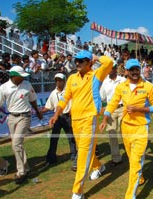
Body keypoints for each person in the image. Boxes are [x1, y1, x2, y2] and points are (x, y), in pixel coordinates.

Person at [49, 50, 113, 199]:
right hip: (75, 120)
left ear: (88, 62)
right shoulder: (72, 78)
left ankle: (77, 191)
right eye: (76, 61)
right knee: (85, 150)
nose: (77, 63)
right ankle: (99, 166)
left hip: (90, 119)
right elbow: (65, 98)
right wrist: (56, 113)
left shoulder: (96, 75)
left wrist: (94, 57)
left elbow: (109, 63)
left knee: (83, 155)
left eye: (81, 61)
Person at [100, 59, 153, 199]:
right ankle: (139, 177)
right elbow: (112, 103)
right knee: (132, 159)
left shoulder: (148, 86)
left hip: (141, 129)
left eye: (137, 69)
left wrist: (139, 109)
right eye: (131, 69)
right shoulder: (121, 87)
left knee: (135, 162)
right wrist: (105, 118)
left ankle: (130, 196)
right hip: (125, 128)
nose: (134, 72)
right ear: (126, 71)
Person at [0, 66, 43, 184]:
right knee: (17, 145)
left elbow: (32, 100)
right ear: (13, 76)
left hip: (25, 116)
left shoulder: (27, 84)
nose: (23, 78)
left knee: (16, 142)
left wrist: (37, 112)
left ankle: (21, 172)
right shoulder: (4, 88)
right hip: (12, 118)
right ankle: (26, 167)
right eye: (20, 76)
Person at [41, 73, 77, 166]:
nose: (58, 82)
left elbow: (75, 102)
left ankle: (74, 155)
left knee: (71, 137)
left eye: (60, 80)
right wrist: (40, 112)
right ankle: (51, 158)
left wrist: (72, 111)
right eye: (56, 80)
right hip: (58, 117)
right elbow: (49, 106)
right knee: (54, 138)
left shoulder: (69, 91)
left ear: (64, 81)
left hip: (67, 116)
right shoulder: (53, 93)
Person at [99, 62, 126, 167]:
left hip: (123, 107)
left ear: (115, 69)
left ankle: (130, 154)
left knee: (125, 132)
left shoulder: (123, 80)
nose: (109, 70)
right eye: (108, 69)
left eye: (111, 68)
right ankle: (116, 159)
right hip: (111, 109)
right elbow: (102, 97)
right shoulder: (105, 82)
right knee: (112, 133)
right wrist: (102, 107)